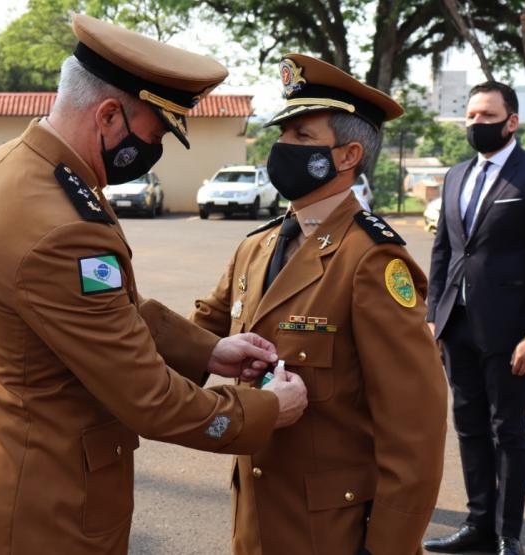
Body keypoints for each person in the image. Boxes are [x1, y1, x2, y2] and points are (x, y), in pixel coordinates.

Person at [0, 15, 309, 555]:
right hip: (51, 509)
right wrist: (267, 410)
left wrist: (211, 350)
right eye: (153, 135)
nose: (151, 152)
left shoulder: (13, 166)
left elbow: (109, 308)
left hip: (8, 471)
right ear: (109, 114)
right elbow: (150, 400)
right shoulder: (62, 223)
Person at [190, 53, 448, 555]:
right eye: (282, 133)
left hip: (331, 531)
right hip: (257, 518)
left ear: (348, 155)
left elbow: (414, 426)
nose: (281, 146)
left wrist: (389, 547)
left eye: (302, 137)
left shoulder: (372, 261)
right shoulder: (257, 245)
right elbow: (199, 334)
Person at [422, 82, 525, 555]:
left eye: (487, 115)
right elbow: (444, 251)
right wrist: (434, 319)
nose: (476, 123)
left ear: (512, 121)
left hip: (511, 331)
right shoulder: (456, 175)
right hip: (457, 325)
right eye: (470, 115)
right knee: (467, 425)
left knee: (507, 429)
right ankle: (478, 525)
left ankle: (508, 535)